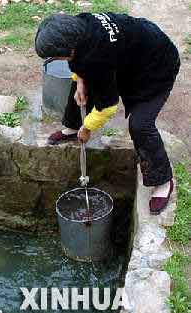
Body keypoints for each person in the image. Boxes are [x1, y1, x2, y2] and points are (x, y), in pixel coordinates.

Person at [35, 13, 180, 215]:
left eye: (58, 56)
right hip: (129, 54)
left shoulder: (97, 56)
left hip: (156, 67)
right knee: (82, 88)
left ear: (69, 48)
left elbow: (108, 105)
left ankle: (163, 181)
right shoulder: (79, 26)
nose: (57, 59)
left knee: (140, 125)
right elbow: (81, 63)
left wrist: (88, 128)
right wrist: (80, 82)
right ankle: (71, 126)